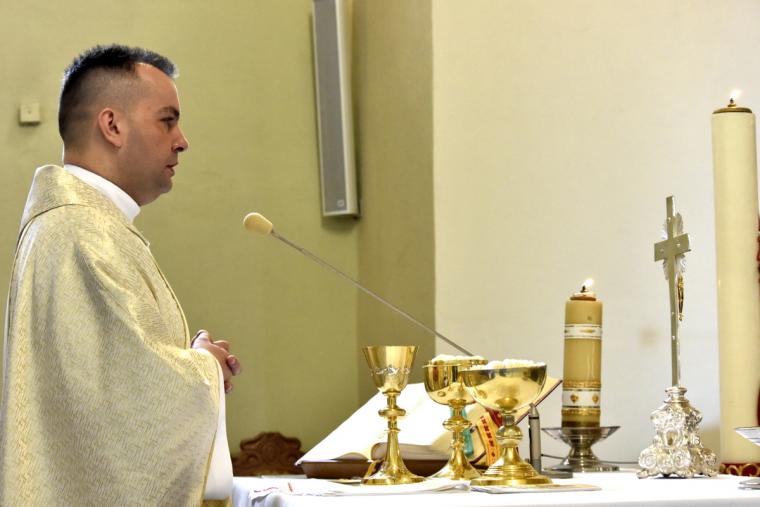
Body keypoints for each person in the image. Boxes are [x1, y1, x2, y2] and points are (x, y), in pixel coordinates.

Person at [0, 44, 241, 506]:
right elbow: (122, 415)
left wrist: (187, 359)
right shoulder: (81, 233)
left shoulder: (87, 226)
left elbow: (112, 377)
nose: (182, 141)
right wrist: (204, 366)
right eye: (167, 121)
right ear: (112, 125)